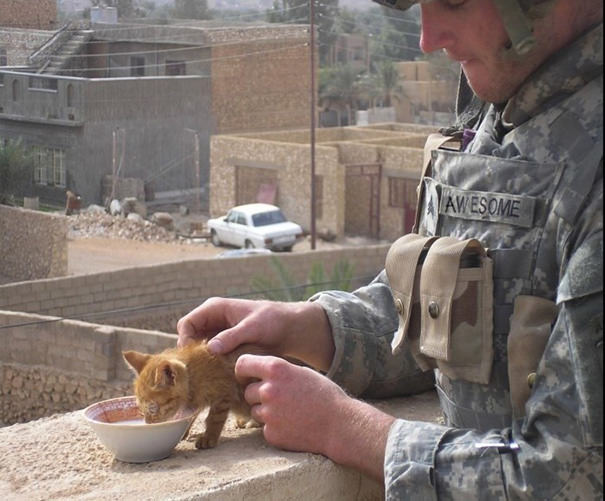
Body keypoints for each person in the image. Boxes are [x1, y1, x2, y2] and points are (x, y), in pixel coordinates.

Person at [177, 0, 603, 497]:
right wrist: (310, 330)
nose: (427, 37)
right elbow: (466, 323)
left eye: (454, 1)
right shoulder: (507, 100)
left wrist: (347, 430)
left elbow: (571, 474)